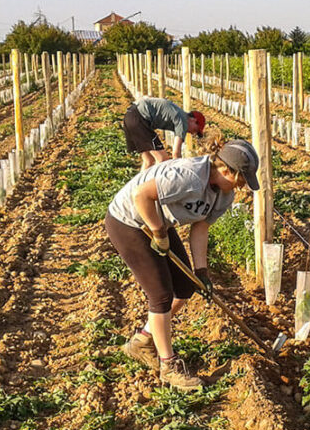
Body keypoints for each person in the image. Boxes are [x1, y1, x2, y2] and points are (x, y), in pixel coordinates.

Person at [105, 136, 260, 389]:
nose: (242, 186)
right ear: (225, 170)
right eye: (240, 179)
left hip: (160, 223)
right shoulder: (189, 176)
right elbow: (141, 195)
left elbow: (200, 229)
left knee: (185, 287)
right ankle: (169, 366)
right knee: (161, 294)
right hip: (130, 222)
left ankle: (143, 341)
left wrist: (201, 271)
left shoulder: (223, 196)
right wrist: (158, 232)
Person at [122, 97, 206, 171]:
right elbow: (176, 153)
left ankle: (139, 185)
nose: (192, 133)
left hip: (130, 115)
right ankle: (153, 186)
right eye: (195, 130)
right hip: (140, 119)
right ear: (194, 120)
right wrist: (180, 173)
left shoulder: (178, 113)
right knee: (162, 159)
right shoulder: (183, 121)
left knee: (149, 160)